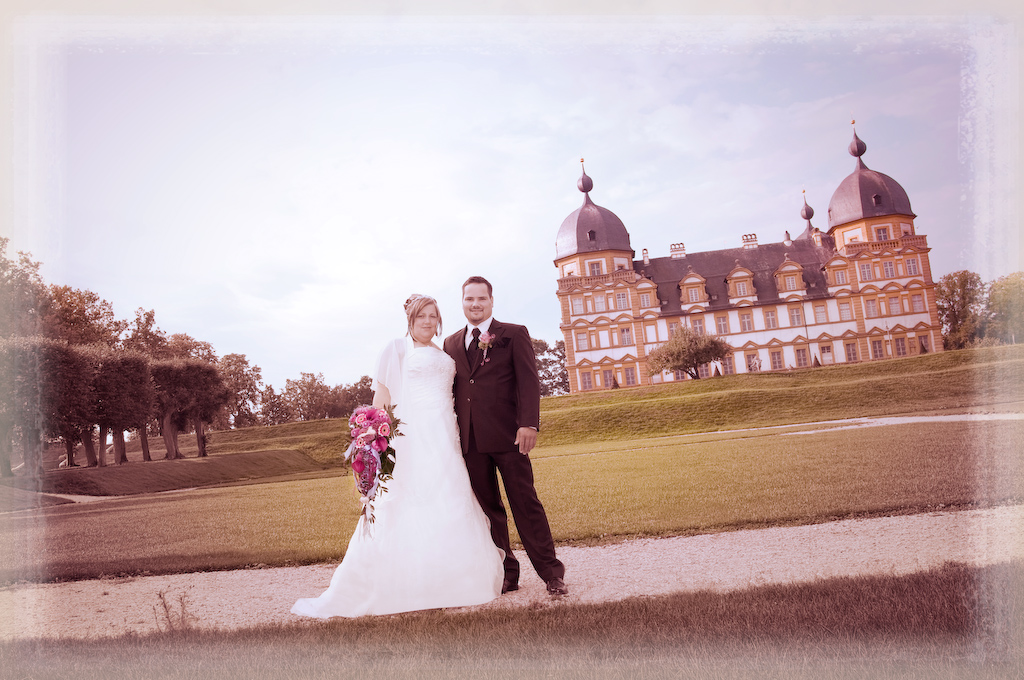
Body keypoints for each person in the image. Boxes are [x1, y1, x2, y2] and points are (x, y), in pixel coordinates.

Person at [291, 295, 504, 618]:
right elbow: (383, 398)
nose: (429, 322)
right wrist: (375, 436)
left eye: (434, 316)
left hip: (446, 433)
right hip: (411, 436)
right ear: (410, 320)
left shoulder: (444, 351)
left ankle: (450, 580)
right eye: (422, 317)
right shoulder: (397, 348)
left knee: (450, 498)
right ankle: (401, 582)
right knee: (408, 501)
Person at [443, 276, 567, 597]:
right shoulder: (451, 344)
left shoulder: (513, 334)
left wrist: (529, 423)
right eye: (469, 299)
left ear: (491, 301)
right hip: (470, 443)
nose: (475, 304)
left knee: (526, 504)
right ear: (462, 302)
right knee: (489, 512)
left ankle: (552, 573)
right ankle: (507, 572)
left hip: (511, 438)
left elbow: (528, 381)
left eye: (481, 298)